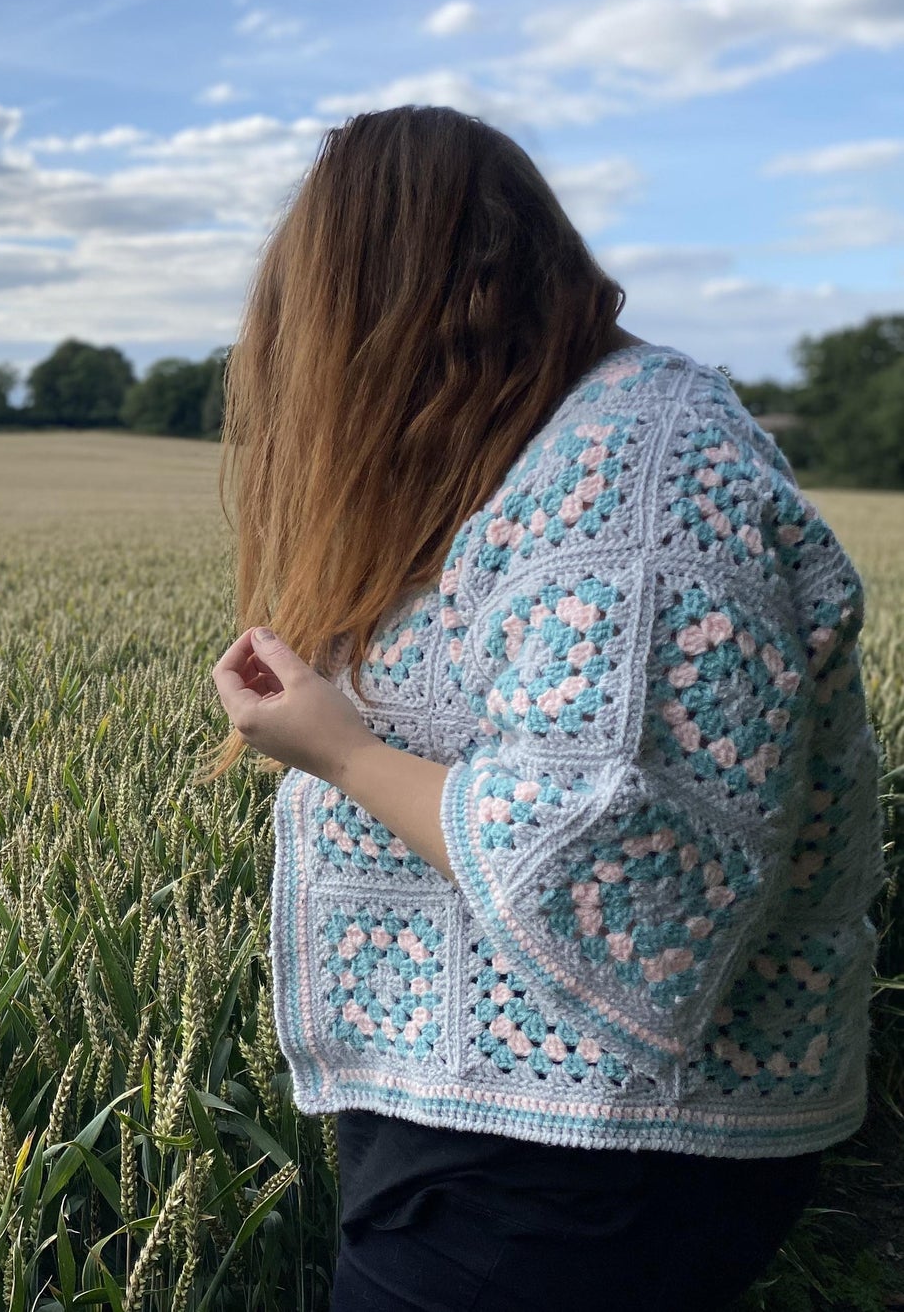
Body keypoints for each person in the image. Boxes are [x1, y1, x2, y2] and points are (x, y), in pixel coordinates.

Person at [202, 105, 887, 1312]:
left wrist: (341, 751)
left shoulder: (637, 468)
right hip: (520, 1129)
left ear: (394, 295)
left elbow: (621, 871)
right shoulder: (531, 450)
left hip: (586, 1157)